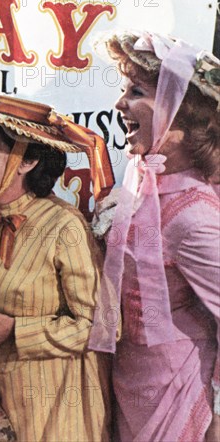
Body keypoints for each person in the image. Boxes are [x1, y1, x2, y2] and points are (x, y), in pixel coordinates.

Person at [0, 85, 114, 441]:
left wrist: (16, 331)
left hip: (52, 402)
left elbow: (99, 326)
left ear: (26, 161)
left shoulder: (64, 226)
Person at [89, 31, 220, 441]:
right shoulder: (142, 185)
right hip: (129, 381)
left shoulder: (194, 215)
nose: (119, 104)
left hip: (178, 391)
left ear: (177, 112)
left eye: (137, 91)